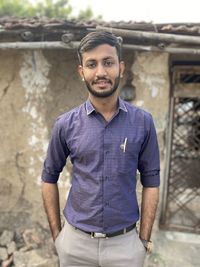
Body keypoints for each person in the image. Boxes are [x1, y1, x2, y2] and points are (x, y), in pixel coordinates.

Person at [41, 31, 160, 267]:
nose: (101, 72)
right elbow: (48, 178)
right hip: (75, 246)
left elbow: (152, 183)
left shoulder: (143, 123)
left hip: (125, 247)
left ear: (121, 67)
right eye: (91, 64)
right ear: (81, 71)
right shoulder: (65, 124)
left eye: (108, 62)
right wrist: (58, 237)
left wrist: (144, 240)